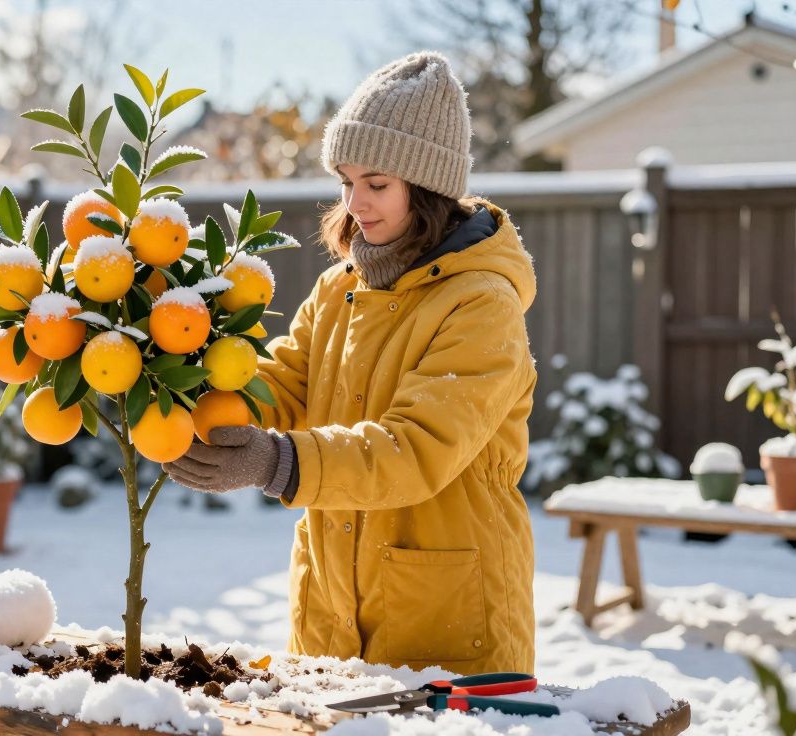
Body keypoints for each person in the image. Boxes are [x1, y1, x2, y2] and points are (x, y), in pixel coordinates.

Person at [162, 51, 539, 675]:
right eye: (346, 180)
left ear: (428, 187)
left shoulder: (482, 305)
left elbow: (416, 448)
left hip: (446, 618)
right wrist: (180, 390)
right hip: (330, 607)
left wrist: (276, 462)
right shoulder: (340, 289)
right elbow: (281, 382)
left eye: (377, 183)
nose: (356, 202)